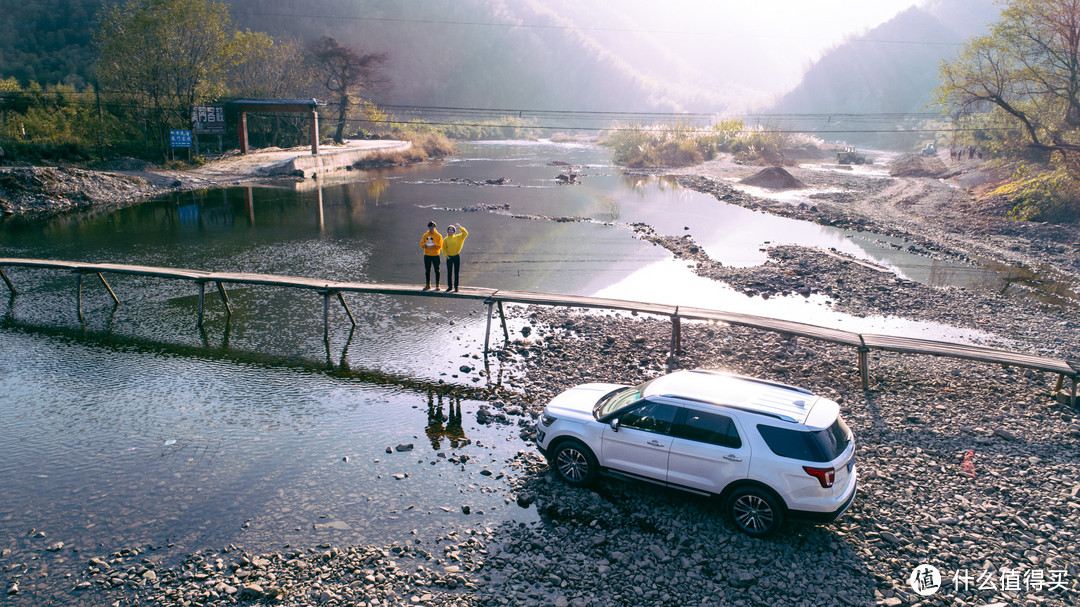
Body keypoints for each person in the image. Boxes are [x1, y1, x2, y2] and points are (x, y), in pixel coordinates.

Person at [442, 223, 468, 292]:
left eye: (452, 230)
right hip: (449, 258)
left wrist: (460, 227)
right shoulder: (445, 239)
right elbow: (443, 248)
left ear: (454, 231)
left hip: (456, 257)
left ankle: (456, 287)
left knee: (456, 273)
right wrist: (446, 255)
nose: (450, 231)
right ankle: (450, 287)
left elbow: (465, 233)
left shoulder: (458, 237)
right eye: (449, 230)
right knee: (449, 273)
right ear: (447, 231)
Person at [420, 221, 442, 290]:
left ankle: (437, 285)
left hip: (435, 255)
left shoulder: (438, 236)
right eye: (430, 227)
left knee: (437, 270)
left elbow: (441, 246)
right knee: (427, 270)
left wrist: (435, 244)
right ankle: (428, 285)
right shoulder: (425, 235)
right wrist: (425, 244)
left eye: (433, 226)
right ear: (428, 227)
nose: (431, 228)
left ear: (435, 227)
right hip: (427, 255)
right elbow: (421, 244)